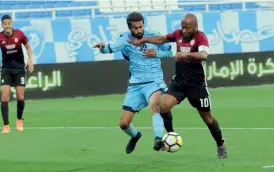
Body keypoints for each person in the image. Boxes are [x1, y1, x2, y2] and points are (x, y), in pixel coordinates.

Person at [128, 13, 228, 159]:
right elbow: (161, 39)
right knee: (163, 105)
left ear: (195, 27)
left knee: (207, 117)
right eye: (183, 27)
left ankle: (220, 144)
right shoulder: (178, 34)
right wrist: (143, 39)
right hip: (179, 82)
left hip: (197, 85)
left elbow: (203, 55)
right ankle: (171, 135)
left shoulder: (201, 37)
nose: (184, 31)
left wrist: (185, 55)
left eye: (187, 28)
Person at [93, 12, 174, 154]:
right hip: (135, 85)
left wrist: (157, 54)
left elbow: (169, 52)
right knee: (124, 123)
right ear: (129, 28)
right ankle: (135, 136)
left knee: (155, 106)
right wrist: (102, 46)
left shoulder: (153, 35)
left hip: (154, 81)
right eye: (135, 28)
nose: (139, 30)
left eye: (141, 27)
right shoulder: (124, 38)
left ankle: (157, 139)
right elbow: (110, 48)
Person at [0, 15, 34, 134]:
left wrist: (30, 60)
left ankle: (19, 120)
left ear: (11, 24)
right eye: (5, 24)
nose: (7, 25)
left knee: (20, 97)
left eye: (9, 23)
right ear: (2, 25)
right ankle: (6, 126)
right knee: (4, 97)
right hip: (6, 69)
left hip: (19, 69)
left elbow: (28, 46)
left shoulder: (20, 34)